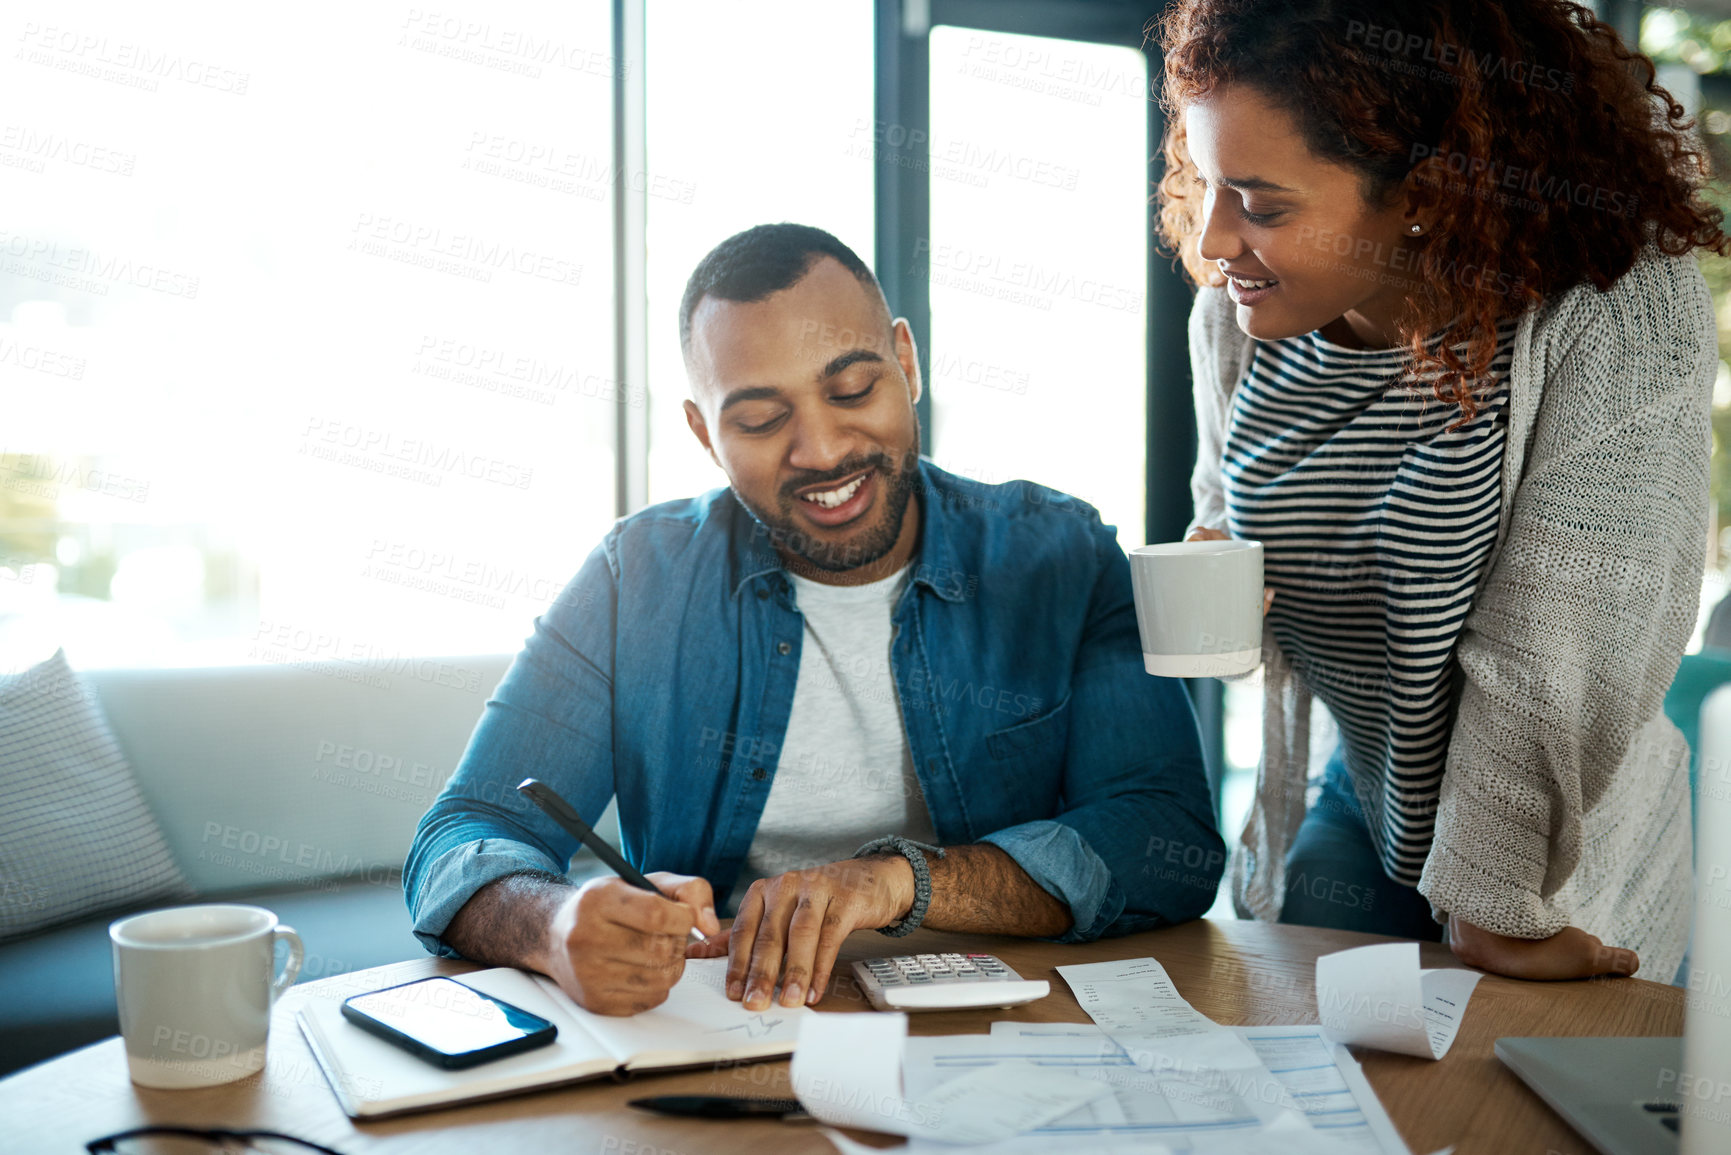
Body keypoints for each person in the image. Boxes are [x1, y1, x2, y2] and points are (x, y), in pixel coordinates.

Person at [404, 223, 1223, 1015]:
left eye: (852, 389)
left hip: (1005, 1026)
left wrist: (896, 880)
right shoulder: (635, 577)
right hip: (720, 1027)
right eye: (760, 420)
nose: (822, 451)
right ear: (703, 432)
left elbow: (1164, 840)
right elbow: (463, 832)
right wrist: (552, 923)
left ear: (906, 362)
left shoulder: (1061, 555)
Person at [1156, 0, 1724, 983]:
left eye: (1262, 203)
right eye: (1207, 184)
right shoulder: (1236, 320)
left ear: (1425, 190)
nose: (1213, 243)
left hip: (1553, 857)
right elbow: (1225, 510)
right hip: (1364, 805)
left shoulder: (1613, 303)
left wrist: (1494, 907)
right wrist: (1219, 574)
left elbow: (1566, 644)